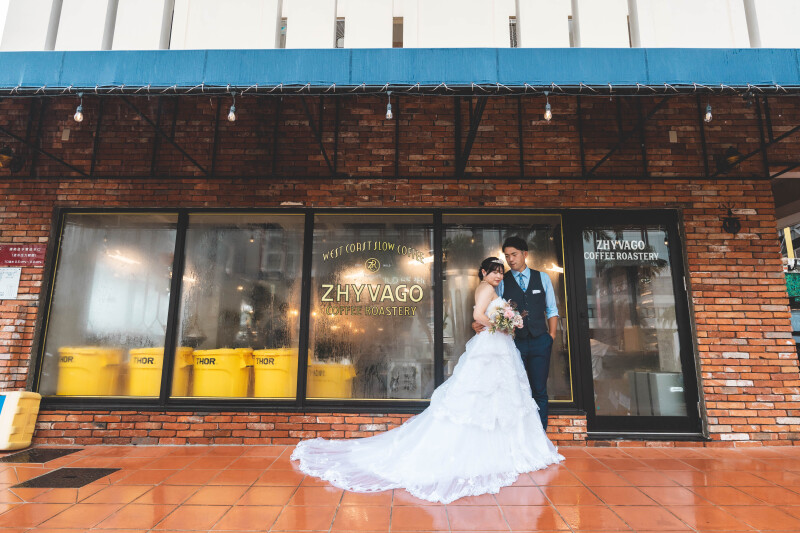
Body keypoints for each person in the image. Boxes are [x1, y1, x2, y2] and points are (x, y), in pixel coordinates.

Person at [291, 257, 563, 504]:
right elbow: (478, 317)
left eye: (501, 273)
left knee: (500, 394)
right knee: (482, 394)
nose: (498, 276)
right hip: (491, 347)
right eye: (494, 272)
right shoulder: (485, 289)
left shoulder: (494, 290)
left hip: (498, 348)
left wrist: (503, 324)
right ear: (483, 272)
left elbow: (484, 317)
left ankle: (505, 446)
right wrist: (501, 325)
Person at [474, 236, 559, 430]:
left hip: (540, 341)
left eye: (514, 254)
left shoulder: (543, 278)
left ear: (525, 254)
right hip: (514, 343)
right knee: (517, 390)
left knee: (539, 390)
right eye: (507, 256)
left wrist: (551, 337)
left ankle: (540, 436)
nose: (510, 259)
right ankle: (522, 437)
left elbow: (552, 310)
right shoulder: (502, 281)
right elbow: (492, 308)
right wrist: (478, 322)